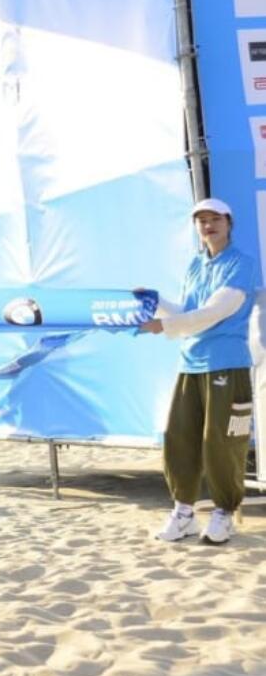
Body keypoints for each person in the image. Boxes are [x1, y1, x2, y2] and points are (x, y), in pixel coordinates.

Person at [140, 198, 260, 545]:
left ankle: (224, 512)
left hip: (227, 364)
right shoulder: (195, 264)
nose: (208, 225)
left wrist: (164, 325)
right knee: (178, 438)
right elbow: (188, 310)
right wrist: (155, 298)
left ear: (228, 222)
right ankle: (184, 514)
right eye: (201, 220)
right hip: (190, 363)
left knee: (220, 442)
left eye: (214, 219)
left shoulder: (243, 264)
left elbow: (214, 312)